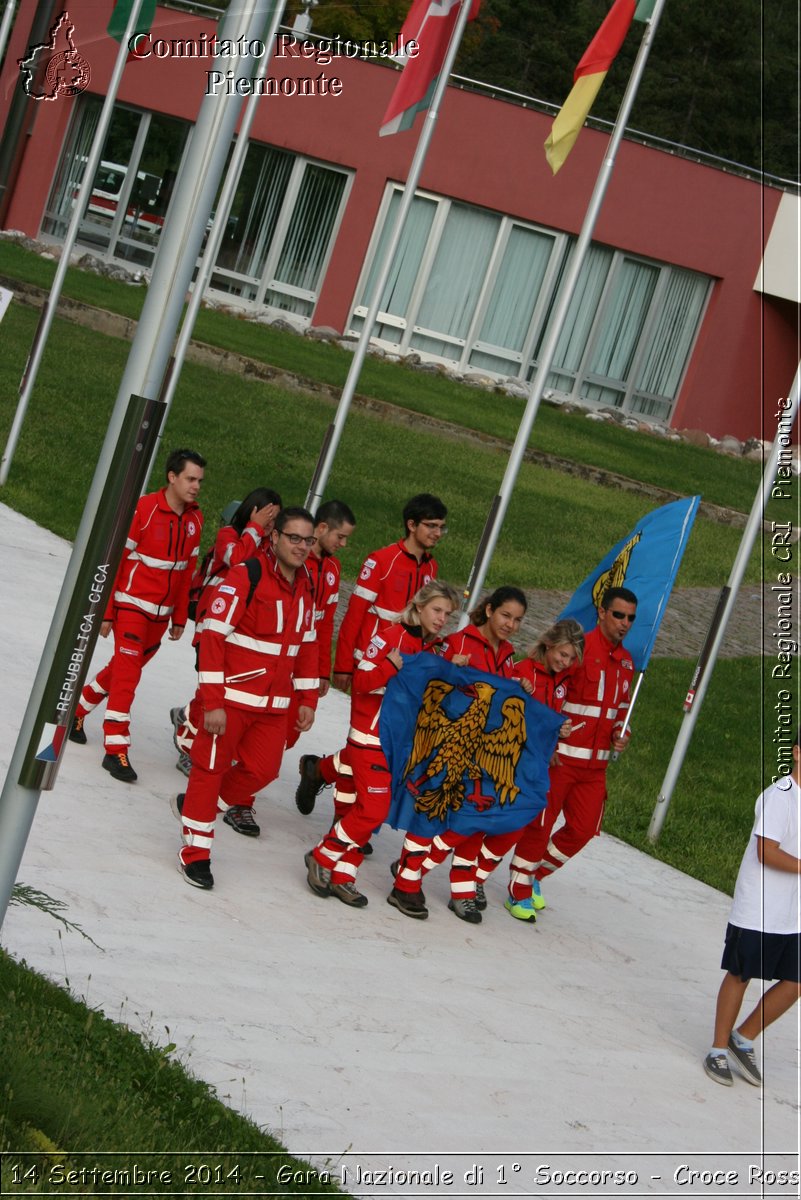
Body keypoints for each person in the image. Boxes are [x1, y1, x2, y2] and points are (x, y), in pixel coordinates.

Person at [174, 507, 320, 889]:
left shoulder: (307, 584)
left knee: (263, 771)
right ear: (275, 538)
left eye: (308, 540)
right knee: (209, 770)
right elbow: (212, 638)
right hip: (231, 701)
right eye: (294, 538)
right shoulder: (245, 575)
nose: (302, 547)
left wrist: (307, 698)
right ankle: (195, 854)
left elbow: (307, 646)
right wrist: (214, 703)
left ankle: (195, 808)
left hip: (274, 708)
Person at [305, 581, 460, 909]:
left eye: (447, 613)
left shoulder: (431, 648)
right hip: (369, 739)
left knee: (364, 812)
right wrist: (391, 667)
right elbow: (360, 684)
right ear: (418, 607)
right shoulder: (389, 637)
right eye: (437, 609)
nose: (442, 618)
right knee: (373, 811)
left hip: (399, 746)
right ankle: (322, 855)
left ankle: (344, 876)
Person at [295, 492, 447, 814]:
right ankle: (343, 822)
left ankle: (318, 771)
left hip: (403, 674)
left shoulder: (431, 566)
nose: (437, 533)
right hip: (372, 668)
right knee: (362, 741)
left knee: (377, 744)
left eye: (441, 527)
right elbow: (354, 615)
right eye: (431, 526)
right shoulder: (381, 560)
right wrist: (343, 666)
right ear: (411, 525)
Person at [389, 586, 528, 924]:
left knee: (474, 820)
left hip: (480, 753)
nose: (510, 624)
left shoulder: (508, 654)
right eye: (506, 615)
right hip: (446, 744)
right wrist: (450, 668)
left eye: (518, 620)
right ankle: (406, 882)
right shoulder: (457, 642)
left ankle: (461, 890)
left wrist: (520, 691)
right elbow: (429, 685)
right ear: (490, 610)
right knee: (431, 813)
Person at [69, 448, 206, 782]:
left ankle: (77, 709)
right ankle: (116, 748)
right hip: (131, 607)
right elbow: (114, 560)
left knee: (121, 669)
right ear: (171, 477)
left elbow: (187, 571)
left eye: (200, 481)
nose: (195, 486)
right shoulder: (143, 509)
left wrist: (178, 617)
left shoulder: (196, 519)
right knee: (128, 679)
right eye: (190, 478)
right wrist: (106, 612)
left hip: (161, 619)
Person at [507, 586, 636, 905]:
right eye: (618, 615)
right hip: (562, 759)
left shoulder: (627, 662)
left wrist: (622, 731)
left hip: (596, 768)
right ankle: (518, 890)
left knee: (582, 830)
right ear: (602, 613)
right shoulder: (579, 650)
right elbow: (551, 692)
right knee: (541, 825)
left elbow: (620, 709)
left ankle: (534, 875)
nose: (624, 623)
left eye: (631, 618)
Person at [703, 729, 800, 1087]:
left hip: (792, 914)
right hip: (759, 907)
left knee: (795, 981)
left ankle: (742, 1038)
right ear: (797, 754)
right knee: (741, 974)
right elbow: (766, 851)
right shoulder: (781, 797)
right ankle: (716, 1050)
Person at [471, 618, 585, 921]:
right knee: (482, 823)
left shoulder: (561, 682)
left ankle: (476, 876)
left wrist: (557, 736)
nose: (565, 662)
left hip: (535, 768)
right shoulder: (523, 673)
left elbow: (547, 720)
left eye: (571, 658)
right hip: (509, 764)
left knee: (514, 828)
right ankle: (420, 862)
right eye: (562, 655)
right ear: (548, 645)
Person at [170, 487, 282, 785]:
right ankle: (187, 742)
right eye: (266, 516)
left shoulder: (269, 547)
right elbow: (237, 560)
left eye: (275, 519)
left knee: (218, 693)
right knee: (209, 692)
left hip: (242, 636)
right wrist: (255, 529)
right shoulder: (231, 536)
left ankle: (185, 717)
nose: (271, 524)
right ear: (252, 511)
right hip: (212, 629)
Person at [287, 500, 356, 782]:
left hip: (307, 659)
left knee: (292, 730)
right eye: (340, 537)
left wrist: (321, 671)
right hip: (280, 653)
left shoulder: (333, 569)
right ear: (323, 527)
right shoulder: (295, 559)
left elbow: (326, 622)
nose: (343, 544)